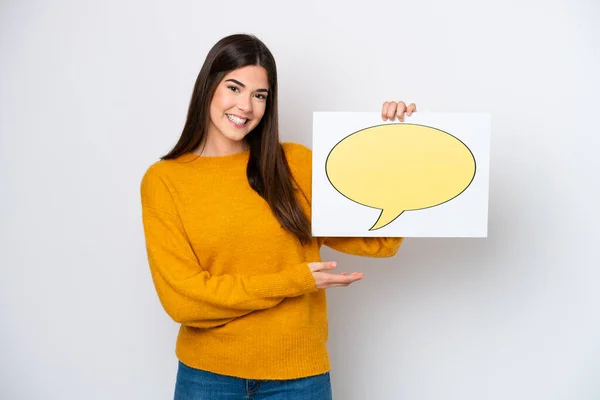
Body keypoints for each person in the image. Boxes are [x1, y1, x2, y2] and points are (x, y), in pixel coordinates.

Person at [140, 33, 417, 400]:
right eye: (234, 87)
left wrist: (397, 144)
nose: (247, 106)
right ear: (208, 86)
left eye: (260, 95)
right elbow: (184, 301)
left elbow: (379, 240)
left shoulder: (295, 164)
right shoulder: (164, 181)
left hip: (300, 379)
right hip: (207, 379)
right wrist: (294, 280)